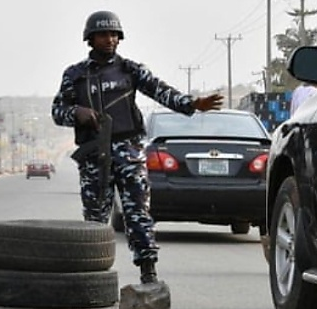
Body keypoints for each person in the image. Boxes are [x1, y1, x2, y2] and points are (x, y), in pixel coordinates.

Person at [51, 10, 224, 285]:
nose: (109, 40)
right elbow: (58, 111)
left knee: (138, 214)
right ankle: (92, 275)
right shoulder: (75, 75)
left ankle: (148, 270)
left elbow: (161, 91)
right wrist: (78, 113)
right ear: (90, 39)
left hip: (128, 152)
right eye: (103, 35)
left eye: (113, 34)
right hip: (95, 155)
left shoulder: (130, 70)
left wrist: (192, 104)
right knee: (95, 219)